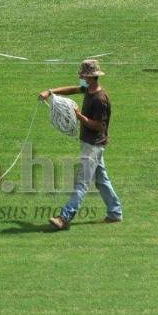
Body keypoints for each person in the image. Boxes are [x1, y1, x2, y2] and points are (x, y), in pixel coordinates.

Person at [38, 60, 122, 230]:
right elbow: (72, 89)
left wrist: (77, 115)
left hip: (93, 146)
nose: (80, 77)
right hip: (90, 144)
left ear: (90, 77)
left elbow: (98, 125)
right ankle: (115, 213)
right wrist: (50, 92)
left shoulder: (99, 99)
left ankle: (64, 217)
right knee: (101, 180)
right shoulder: (89, 90)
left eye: (83, 75)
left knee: (81, 183)